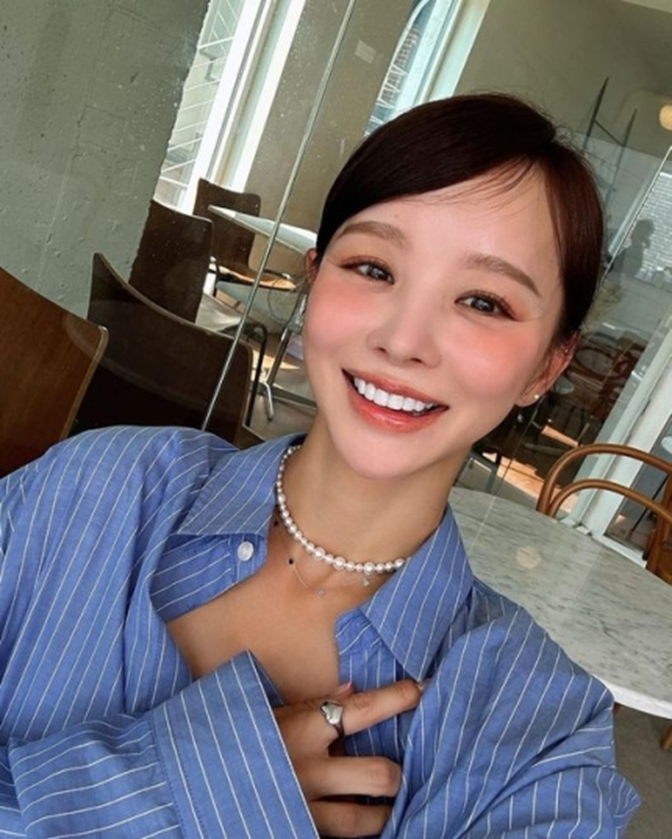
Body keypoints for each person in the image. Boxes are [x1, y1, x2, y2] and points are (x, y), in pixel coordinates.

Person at [0, 94, 638, 837]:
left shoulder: (539, 736)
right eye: (372, 267)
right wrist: (182, 784)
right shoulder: (91, 491)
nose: (403, 341)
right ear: (312, 281)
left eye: (483, 302)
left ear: (548, 365)